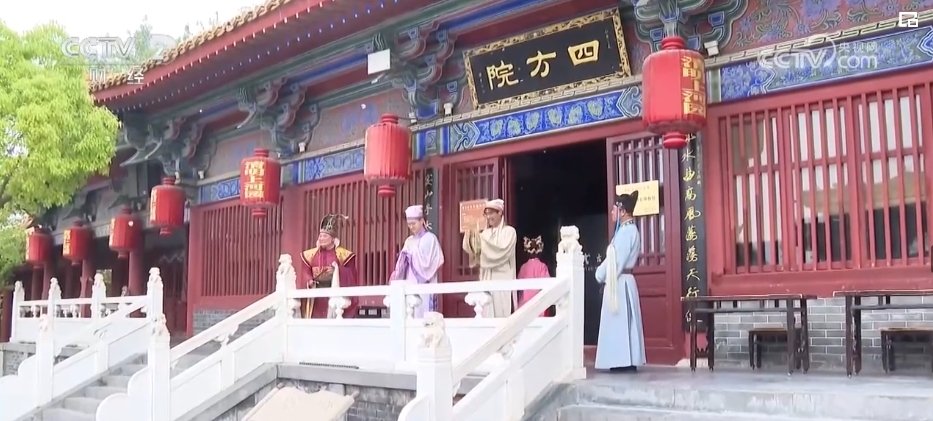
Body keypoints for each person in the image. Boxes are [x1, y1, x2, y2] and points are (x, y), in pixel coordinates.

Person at [594, 191, 646, 372]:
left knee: (620, 322)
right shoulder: (628, 230)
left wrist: (599, 274)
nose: (612, 213)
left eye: (614, 209)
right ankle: (624, 359)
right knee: (624, 323)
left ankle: (622, 360)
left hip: (620, 281)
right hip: (622, 280)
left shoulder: (626, 232)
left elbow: (615, 262)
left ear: (622, 211)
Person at [462, 199, 517, 318]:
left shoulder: (510, 232)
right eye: (486, 214)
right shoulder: (485, 234)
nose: (488, 217)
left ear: (500, 213)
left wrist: (481, 241)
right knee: (486, 313)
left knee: (502, 313)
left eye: (491, 213)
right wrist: (470, 236)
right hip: (486, 276)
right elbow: (475, 250)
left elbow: (501, 252)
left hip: (502, 278)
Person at [299, 214, 359, 318]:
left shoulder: (343, 255)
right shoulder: (310, 255)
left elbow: (351, 273)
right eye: (320, 236)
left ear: (333, 239)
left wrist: (337, 271)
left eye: (325, 236)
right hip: (316, 293)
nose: (321, 238)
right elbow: (305, 271)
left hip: (333, 289)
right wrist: (309, 280)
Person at [390, 205, 445, 318]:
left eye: (413, 223)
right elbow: (401, 263)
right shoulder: (409, 240)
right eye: (409, 224)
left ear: (422, 221)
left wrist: (410, 254)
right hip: (410, 279)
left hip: (425, 282)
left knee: (424, 311)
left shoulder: (430, 238)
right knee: (411, 311)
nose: (411, 227)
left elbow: (430, 263)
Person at [517, 236, 549, 317]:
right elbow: (547, 283)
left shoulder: (523, 267)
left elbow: (519, 284)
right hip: (538, 302)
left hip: (524, 303)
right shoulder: (542, 266)